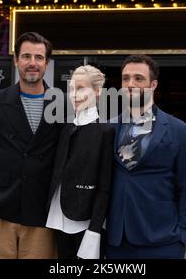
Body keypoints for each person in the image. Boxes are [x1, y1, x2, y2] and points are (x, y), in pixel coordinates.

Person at [0, 32, 61, 259]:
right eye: (26, 56)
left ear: (47, 63)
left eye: (39, 57)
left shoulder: (62, 104)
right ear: (16, 60)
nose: (32, 63)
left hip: (42, 218)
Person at [106, 54, 186, 259]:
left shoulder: (177, 129)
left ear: (153, 84)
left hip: (162, 241)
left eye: (139, 78)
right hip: (116, 240)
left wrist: (184, 234)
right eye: (125, 78)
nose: (130, 84)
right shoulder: (109, 127)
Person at [46, 65, 115, 259]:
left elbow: (105, 186)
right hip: (57, 215)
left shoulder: (105, 131)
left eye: (81, 88)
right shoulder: (66, 127)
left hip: (85, 219)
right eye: (71, 88)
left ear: (98, 91)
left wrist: (95, 229)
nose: (74, 95)